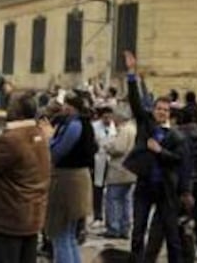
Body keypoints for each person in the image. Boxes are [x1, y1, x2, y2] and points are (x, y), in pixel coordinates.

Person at [123, 51, 191, 263]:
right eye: (158, 109)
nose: (161, 112)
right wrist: (132, 74)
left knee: (172, 236)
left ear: (169, 113)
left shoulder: (176, 136)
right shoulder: (146, 123)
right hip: (144, 186)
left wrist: (160, 151)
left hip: (166, 190)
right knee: (137, 232)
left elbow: (180, 161)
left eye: (165, 110)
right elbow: (134, 101)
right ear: (153, 110)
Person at [0, 92, 50, 263]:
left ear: (18, 112)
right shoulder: (40, 135)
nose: (7, 108)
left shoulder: (9, 140)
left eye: (11, 104)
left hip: (9, 216)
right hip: (32, 214)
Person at [145, 107, 197, 262]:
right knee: (185, 226)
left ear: (173, 119)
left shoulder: (176, 137)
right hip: (193, 184)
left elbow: (182, 164)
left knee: (163, 231)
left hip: (173, 190)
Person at [42, 93, 96, 263]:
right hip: (78, 180)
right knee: (70, 236)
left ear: (71, 107)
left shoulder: (73, 125)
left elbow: (57, 153)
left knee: (60, 236)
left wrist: (48, 137)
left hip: (68, 182)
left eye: (65, 105)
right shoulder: (85, 123)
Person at [103, 107, 136, 239]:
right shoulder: (133, 128)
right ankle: (125, 227)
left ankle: (114, 227)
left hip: (119, 169)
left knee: (113, 199)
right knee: (126, 200)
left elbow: (119, 148)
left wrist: (108, 146)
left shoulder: (124, 130)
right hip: (130, 170)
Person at [91, 106, 117, 228]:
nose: (108, 120)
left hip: (111, 160)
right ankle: (98, 216)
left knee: (110, 190)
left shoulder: (115, 127)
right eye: (105, 117)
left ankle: (110, 217)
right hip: (98, 159)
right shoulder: (94, 127)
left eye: (110, 117)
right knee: (98, 188)